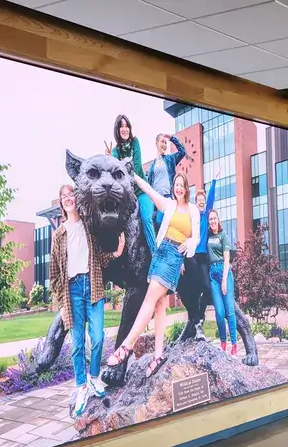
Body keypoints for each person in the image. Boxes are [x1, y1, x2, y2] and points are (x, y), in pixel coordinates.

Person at [106, 172, 199, 375]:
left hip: (174, 256)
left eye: (182, 185)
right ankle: (158, 355)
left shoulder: (192, 210)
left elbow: (196, 238)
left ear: (186, 189)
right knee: (159, 305)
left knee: (149, 298)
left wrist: (188, 245)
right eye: (176, 184)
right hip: (160, 254)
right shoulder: (168, 205)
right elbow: (149, 190)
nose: (178, 188)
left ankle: (126, 346)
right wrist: (133, 176)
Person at [49, 184, 125, 417]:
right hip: (71, 291)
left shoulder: (89, 226)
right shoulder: (58, 235)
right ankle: (81, 386)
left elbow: (99, 258)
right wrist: (61, 304)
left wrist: (117, 252)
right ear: (61, 203)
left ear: (76, 198)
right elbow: (54, 274)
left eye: (71, 194)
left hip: (92, 286)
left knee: (99, 337)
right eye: (64, 196)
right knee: (79, 344)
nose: (68, 198)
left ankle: (93, 378)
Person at [179, 167, 220, 340]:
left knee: (207, 287)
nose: (202, 202)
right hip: (193, 256)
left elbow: (211, 199)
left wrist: (214, 182)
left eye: (203, 200)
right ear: (196, 202)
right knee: (191, 288)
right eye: (199, 200)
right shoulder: (194, 216)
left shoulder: (206, 215)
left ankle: (200, 317)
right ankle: (195, 321)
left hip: (204, 258)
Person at [138, 133, 187, 251]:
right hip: (154, 199)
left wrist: (171, 139)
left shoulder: (170, 159)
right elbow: (149, 183)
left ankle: (165, 246)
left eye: (165, 142)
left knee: (160, 220)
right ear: (156, 144)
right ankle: (154, 248)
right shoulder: (153, 165)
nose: (164, 144)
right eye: (162, 142)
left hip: (166, 198)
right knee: (149, 220)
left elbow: (182, 151)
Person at [207, 208, 238, 356]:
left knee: (229, 310)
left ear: (218, 220)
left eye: (214, 218)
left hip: (224, 272)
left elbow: (227, 259)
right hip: (212, 274)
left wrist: (224, 279)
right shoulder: (207, 235)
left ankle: (234, 345)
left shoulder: (223, 236)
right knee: (219, 313)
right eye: (210, 219)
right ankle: (223, 342)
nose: (213, 221)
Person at [108, 114, 144, 180]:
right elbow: (115, 170)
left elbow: (137, 167)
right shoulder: (115, 151)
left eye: (127, 126)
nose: (125, 129)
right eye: (121, 126)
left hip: (140, 185)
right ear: (117, 130)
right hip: (126, 187)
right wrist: (109, 159)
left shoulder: (135, 141)